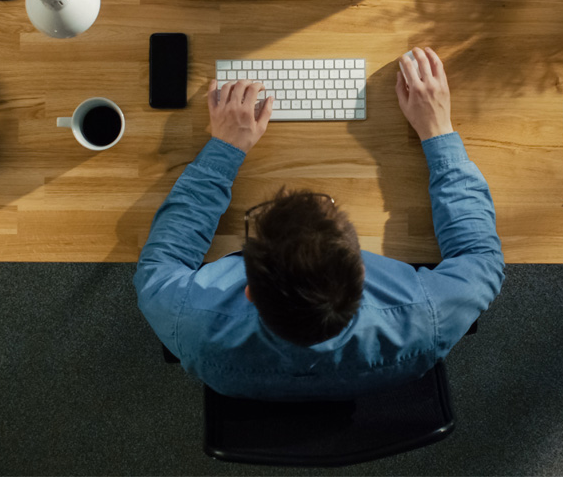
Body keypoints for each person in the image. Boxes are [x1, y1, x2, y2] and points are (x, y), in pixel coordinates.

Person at [134, 47, 504, 400]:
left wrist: (224, 149)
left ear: (249, 291)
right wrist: (438, 131)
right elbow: (481, 259)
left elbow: (160, 264)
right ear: (362, 272)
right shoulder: (427, 319)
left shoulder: (187, 323)